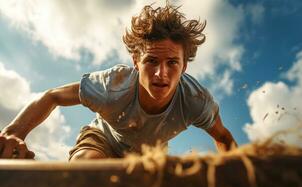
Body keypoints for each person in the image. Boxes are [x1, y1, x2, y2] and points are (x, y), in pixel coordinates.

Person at [0, 4, 237, 160]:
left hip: (150, 154)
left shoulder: (196, 101)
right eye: (151, 61)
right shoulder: (113, 85)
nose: (160, 74)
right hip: (102, 140)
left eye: (172, 63)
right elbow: (53, 96)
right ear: (136, 61)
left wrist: (236, 179)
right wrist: (13, 133)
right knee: (89, 172)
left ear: (184, 66)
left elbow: (224, 138)